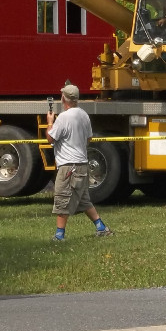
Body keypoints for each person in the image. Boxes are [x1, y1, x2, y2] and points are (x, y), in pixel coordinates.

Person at [46, 82, 114, 241]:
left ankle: (59, 235)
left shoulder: (63, 117)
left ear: (64, 98)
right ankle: (101, 228)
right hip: (82, 164)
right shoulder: (84, 115)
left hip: (68, 166)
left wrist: (50, 122)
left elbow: (50, 138)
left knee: (62, 198)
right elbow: (89, 138)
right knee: (83, 200)